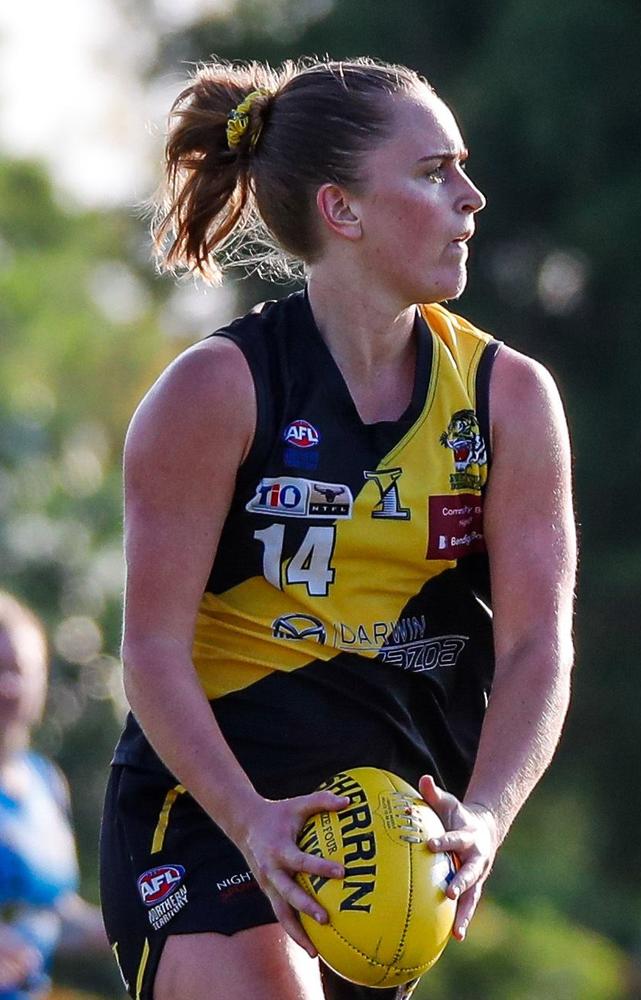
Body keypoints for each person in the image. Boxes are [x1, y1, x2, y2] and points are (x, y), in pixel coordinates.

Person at [99, 56, 576, 1000]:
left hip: (385, 851)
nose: (471, 198)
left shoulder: (507, 398)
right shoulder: (217, 391)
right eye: (435, 172)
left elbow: (539, 649)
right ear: (343, 210)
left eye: (463, 169)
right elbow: (151, 652)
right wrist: (251, 821)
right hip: (209, 814)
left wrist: (483, 816)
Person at [0, 592, 106, 1000]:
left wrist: (158, 914)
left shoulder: (46, 780)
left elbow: (59, 919)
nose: (9, 686)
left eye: (20, 670)